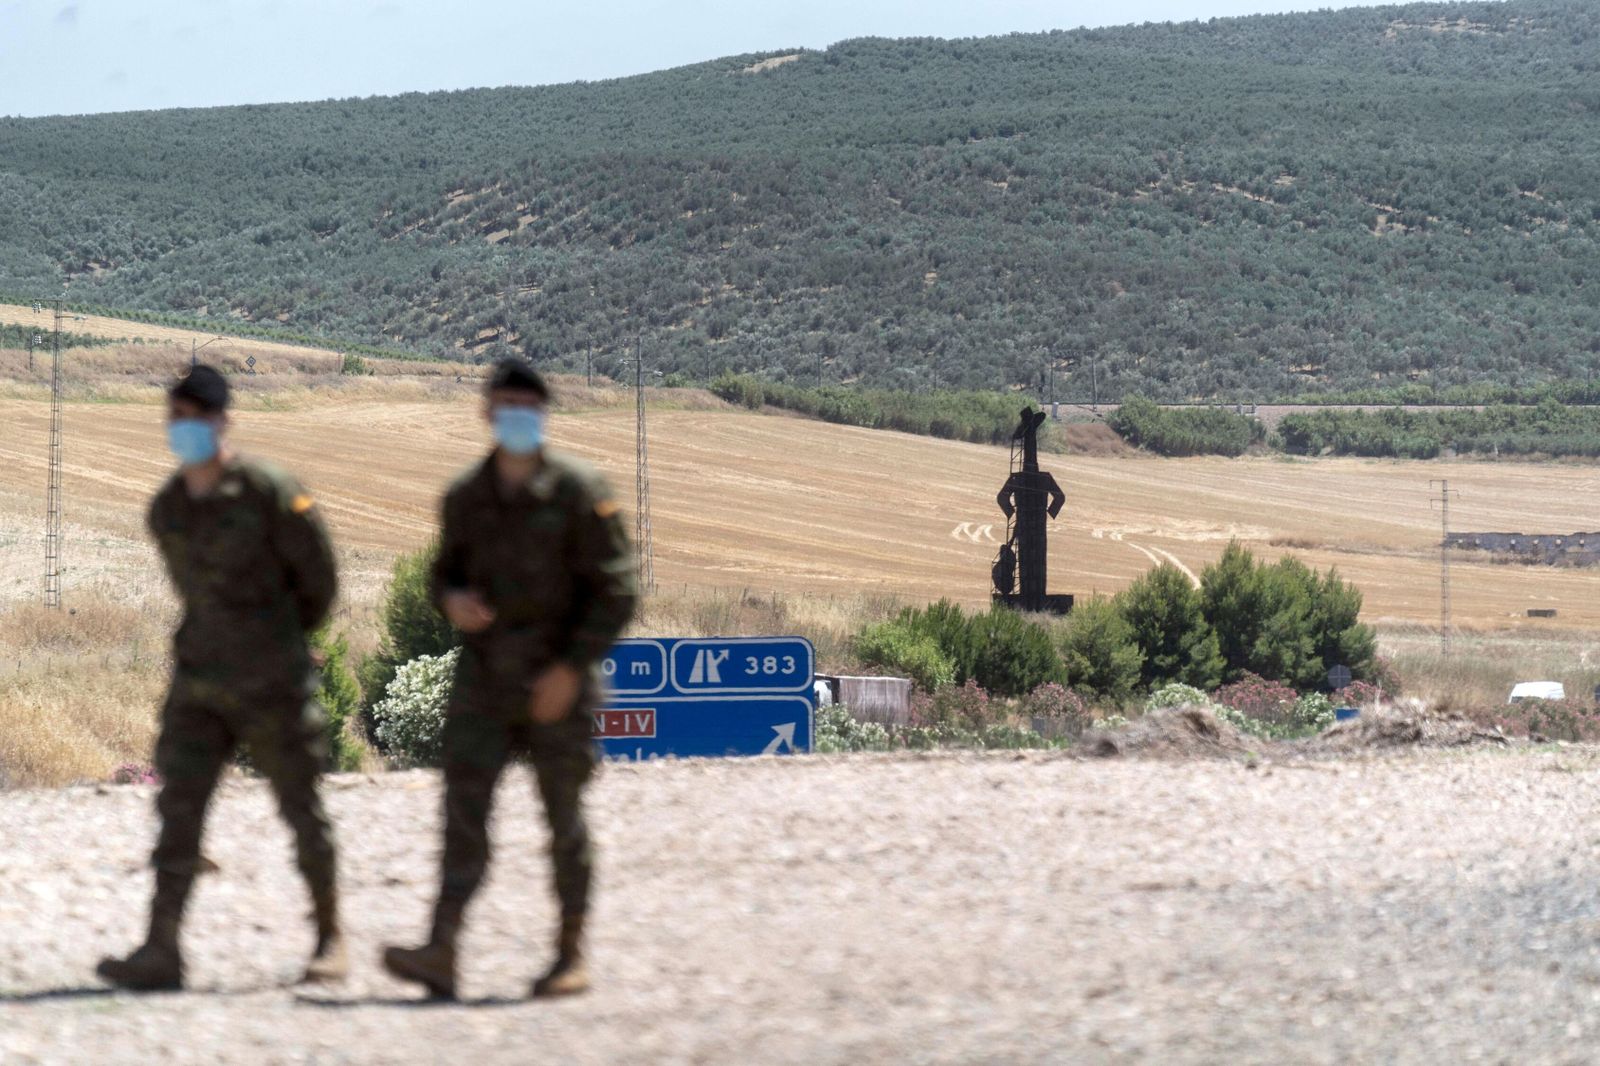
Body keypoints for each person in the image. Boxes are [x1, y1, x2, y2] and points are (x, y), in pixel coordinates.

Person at [383, 357, 636, 1000]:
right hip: (485, 685)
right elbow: (444, 573)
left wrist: (572, 669)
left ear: (543, 413)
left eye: (528, 404)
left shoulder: (581, 492)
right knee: (463, 815)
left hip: (559, 686)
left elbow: (615, 592)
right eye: (506, 404)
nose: (516, 415)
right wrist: (452, 601)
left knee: (563, 820)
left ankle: (569, 955)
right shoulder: (466, 497)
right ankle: (442, 949)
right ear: (487, 412)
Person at [97, 364, 345, 991]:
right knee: (178, 808)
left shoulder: (269, 491)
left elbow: (319, 580)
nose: (185, 430)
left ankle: (329, 938)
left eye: (197, 419)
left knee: (300, 804)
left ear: (223, 420)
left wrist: (284, 640)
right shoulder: (169, 509)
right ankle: (161, 950)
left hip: (272, 680)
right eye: (176, 418)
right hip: (200, 683)